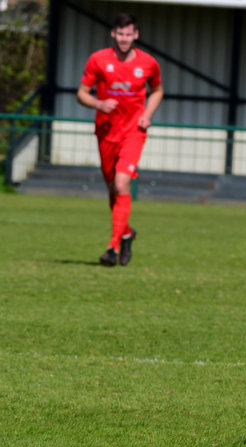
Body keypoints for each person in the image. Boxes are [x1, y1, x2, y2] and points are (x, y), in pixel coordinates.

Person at [77, 13, 163, 267]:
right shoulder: (98, 59)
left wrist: (147, 114)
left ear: (136, 35)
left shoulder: (148, 63)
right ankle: (126, 234)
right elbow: (82, 93)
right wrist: (99, 103)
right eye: (120, 34)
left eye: (129, 34)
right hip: (106, 131)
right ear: (113, 34)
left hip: (133, 131)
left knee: (121, 182)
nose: (124, 39)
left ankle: (112, 247)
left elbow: (157, 91)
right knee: (113, 190)